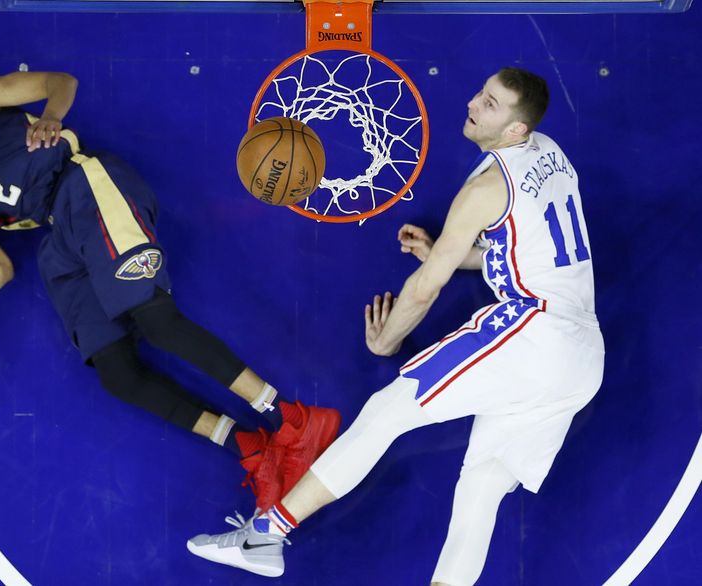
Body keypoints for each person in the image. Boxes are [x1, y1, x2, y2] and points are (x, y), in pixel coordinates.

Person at [186, 67, 605, 584]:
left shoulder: (488, 187)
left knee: (389, 409)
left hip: (537, 332)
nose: (474, 103)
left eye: (491, 104)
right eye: (481, 91)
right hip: (583, 359)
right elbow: (530, 248)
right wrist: (447, 253)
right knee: (481, 489)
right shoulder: (549, 152)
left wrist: (387, 338)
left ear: (516, 130)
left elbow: (426, 288)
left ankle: (265, 535)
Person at [0, 71, 340, 508]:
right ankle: (252, 448)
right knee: (118, 374)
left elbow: (60, 81)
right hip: (55, 237)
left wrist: (50, 116)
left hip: (83, 185)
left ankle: (294, 419)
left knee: (156, 321)